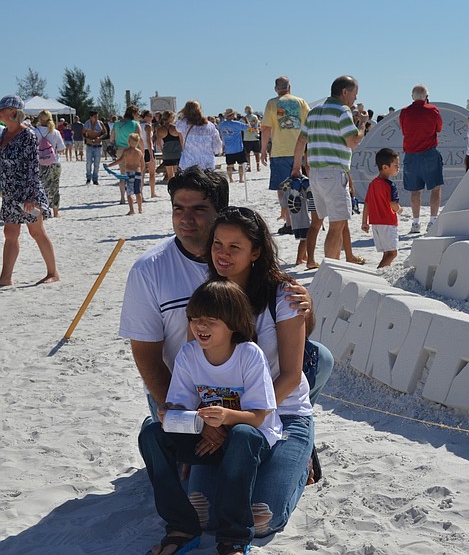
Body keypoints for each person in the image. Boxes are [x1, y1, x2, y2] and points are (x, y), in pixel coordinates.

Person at [118, 166, 332, 541]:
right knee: (202, 513)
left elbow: (291, 373)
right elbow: (175, 362)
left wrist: (232, 421)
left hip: (272, 410)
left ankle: (299, 456)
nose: (222, 254)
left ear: (255, 251)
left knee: (261, 519)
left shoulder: (282, 294)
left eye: (235, 247)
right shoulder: (201, 294)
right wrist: (198, 422)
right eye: (218, 245)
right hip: (213, 408)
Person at [139, 279, 279, 555]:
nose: (200, 326)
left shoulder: (249, 354)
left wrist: (225, 418)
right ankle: (181, 527)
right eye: (194, 319)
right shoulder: (189, 354)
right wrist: (171, 413)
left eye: (211, 321)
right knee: (153, 435)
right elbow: (180, 405)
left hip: (248, 442)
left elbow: (258, 417)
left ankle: (234, 537)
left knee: (242, 435)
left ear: (233, 322)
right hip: (207, 437)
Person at [291, 75, 368, 261]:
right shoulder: (342, 111)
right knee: (337, 225)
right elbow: (353, 142)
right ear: (344, 92)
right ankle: (331, 267)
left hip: (315, 174)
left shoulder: (314, 111)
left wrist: (296, 168)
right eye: (355, 93)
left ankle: (330, 263)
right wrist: (363, 124)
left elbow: (301, 140)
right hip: (333, 173)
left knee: (325, 222)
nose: (355, 98)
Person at [0, 95, 60, 286]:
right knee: (10, 234)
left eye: (2, 110)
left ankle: (53, 273)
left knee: (37, 232)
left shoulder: (28, 135)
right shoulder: (3, 134)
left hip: (28, 192)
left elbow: (33, 168)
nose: (0, 113)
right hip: (10, 193)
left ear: (13, 112)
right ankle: (5, 278)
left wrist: (31, 197)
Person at [261, 76, 310, 226]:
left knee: (282, 187)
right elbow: (310, 123)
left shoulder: (272, 103)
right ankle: (302, 218)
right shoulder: (301, 102)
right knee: (299, 185)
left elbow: (266, 129)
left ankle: (289, 222)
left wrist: (263, 150)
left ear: (276, 89)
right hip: (299, 150)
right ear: (289, 87)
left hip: (280, 151)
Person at [399, 84, 443, 234]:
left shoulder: (405, 112)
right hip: (429, 153)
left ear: (412, 96)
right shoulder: (432, 110)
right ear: (426, 97)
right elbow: (439, 128)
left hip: (411, 155)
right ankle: (432, 221)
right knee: (435, 188)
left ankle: (416, 222)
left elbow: (404, 130)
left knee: (415, 191)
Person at [362, 148, 402, 268]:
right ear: (385, 167)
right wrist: (399, 209)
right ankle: (378, 272)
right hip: (388, 223)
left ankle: (382, 272)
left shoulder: (373, 184)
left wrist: (364, 222)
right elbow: (392, 204)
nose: (398, 168)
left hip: (376, 224)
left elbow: (367, 203)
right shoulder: (390, 185)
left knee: (386, 253)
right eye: (396, 165)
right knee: (392, 253)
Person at [32, 110, 66, 218]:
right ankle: (56, 212)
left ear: (39, 119)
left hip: (40, 163)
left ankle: (43, 212)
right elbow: (61, 149)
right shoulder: (55, 132)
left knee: (41, 187)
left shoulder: (34, 132)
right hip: (54, 162)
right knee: (55, 187)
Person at [176, 100, 222, 170]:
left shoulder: (182, 124)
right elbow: (217, 146)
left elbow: (178, 129)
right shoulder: (210, 126)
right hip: (207, 163)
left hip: (189, 163)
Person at [106, 132, 145, 215]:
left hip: (129, 173)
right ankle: (140, 209)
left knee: (129, 192)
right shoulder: (139, 152)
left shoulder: (126, 151)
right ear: (137, 142)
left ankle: (132, 210)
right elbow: (143, 164)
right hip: (138, 173)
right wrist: (141, 172)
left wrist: (109, 165)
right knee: (138, 192)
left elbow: (120, 160)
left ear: (129, 141)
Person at [112, 106, 144, 205]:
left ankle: (122, 198)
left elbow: (112, 138)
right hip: (133, 150)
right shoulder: (135, 124)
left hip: (120, 150)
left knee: (122, 174)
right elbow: (139, 139)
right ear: (133, 113)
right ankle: (139, 195)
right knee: (137, 172)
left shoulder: (117, 124)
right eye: (137, 113)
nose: (138, 115)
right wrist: (143, 151)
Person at [219, 108, 249, 183]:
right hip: (238, 148)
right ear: (232, 115)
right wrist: (246, 120)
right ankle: (241, 179)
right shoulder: (236, 124)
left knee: (229, 165)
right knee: (241, 164)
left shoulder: (222, 125)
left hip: (228, 148)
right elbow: (247, 127)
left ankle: (230, 179)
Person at [82, 110, 107, 185]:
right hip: (89, 145)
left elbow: (105, 133)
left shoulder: (100, 123)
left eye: (97, 117)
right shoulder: (87, 123)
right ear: (91, 117)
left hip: (98, 145)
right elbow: (83, 133)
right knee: (88, 163)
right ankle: (88, 178)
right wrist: (87, 138)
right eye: (95, 117)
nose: (96, 118)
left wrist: (100, 138)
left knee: (97, 163)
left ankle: (95, 178)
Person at [156, 110, 182, 182]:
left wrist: (163, 151)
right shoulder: (176, 128)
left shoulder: (160, 129)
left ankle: (171, 188)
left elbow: (158, 143)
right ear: (171, 117)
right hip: (177, 153)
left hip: (167, 153)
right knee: (178, 174)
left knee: (170, 175)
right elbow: (181, 141)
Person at [139, 110, 159, 198]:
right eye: (150, 116)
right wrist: (151, 155)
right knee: (152, 173)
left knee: (142, 173)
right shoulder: (147, 126)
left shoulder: (138, 125)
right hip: (148, 150)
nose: (151, 118)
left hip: (141, 149)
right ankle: (152, 192)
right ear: (145, 117)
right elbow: (148, 140)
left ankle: (141, 193)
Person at [243, 105, 261, 172]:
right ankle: (258, 166)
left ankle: (249, 167)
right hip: (255, 136)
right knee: (257, 153)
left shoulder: (244, 118)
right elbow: (257, 125)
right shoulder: (255, 117)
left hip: (247, 137)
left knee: (247, 154)